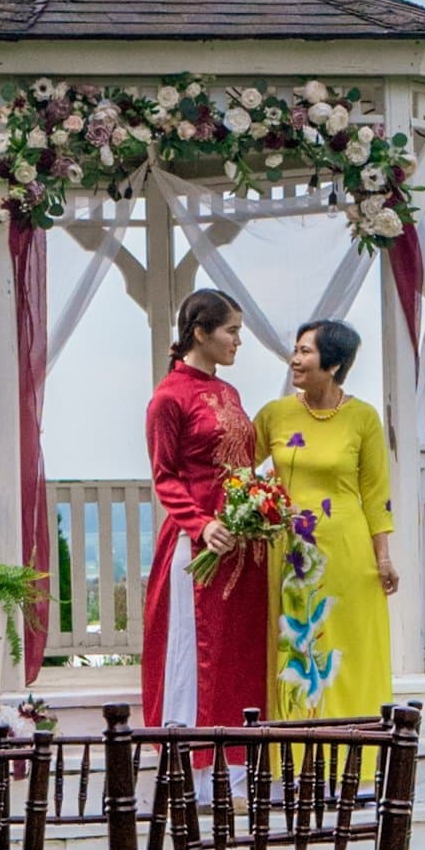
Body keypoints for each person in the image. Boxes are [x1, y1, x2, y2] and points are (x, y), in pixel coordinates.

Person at [253, 318, 397, 721]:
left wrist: (382, 557)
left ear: (332, 364)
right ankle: (296, 758)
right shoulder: (274, 415)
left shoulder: (363, 419)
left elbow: (376, 495)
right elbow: (238, 473)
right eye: (295, 350)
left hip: (350, 556)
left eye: (305, 351)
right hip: (292, 558)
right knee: (297, 651)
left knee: (349, 652)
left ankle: (360, 755)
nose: (294, 359)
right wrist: (260, 507)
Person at [140, 289, 270, 730]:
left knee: (240, 652)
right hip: (200, 546)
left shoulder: (229, 391)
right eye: (231, 331)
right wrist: (201, 524)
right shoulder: (168, 398)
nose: (238, 341)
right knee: (199, 652)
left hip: (242, 545)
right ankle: (193, 772)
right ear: (200, 332)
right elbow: (165, 476)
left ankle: (242, 769)